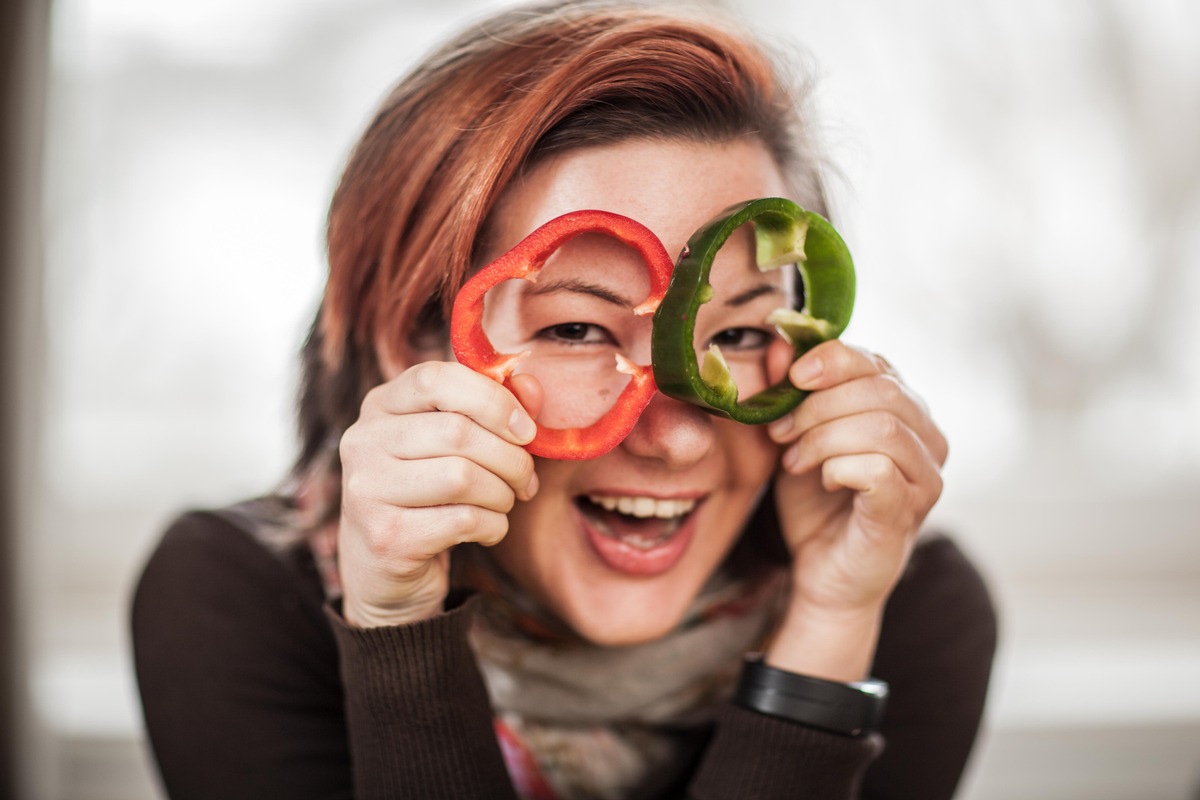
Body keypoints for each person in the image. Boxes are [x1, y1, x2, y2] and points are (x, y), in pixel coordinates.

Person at [132, 2, 997, 798]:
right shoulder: (233, 598)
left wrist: (831, 627)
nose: (679, 441)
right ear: (417, 342)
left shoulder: (906, 606)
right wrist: (397, 625)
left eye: (737, 335)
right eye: (577, 330)